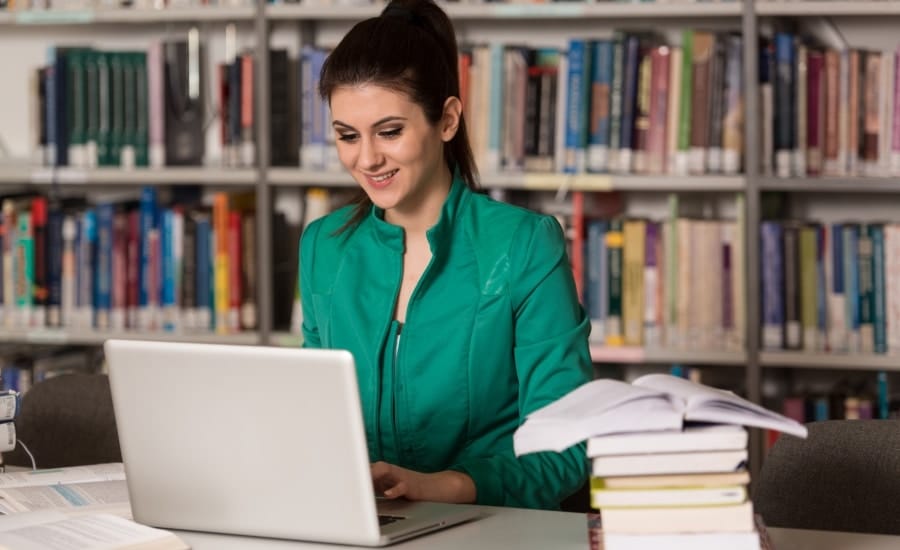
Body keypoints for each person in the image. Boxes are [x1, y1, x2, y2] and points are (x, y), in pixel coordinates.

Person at [298, 0, 592, 510]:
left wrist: (445, 486)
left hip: (492, 526)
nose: (366, 159)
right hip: (357, 525)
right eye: (347, 136)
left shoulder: (524, 245)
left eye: (389, 131)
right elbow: (313, 417)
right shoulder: (323, 246)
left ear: (448, 120)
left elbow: (568, 446)